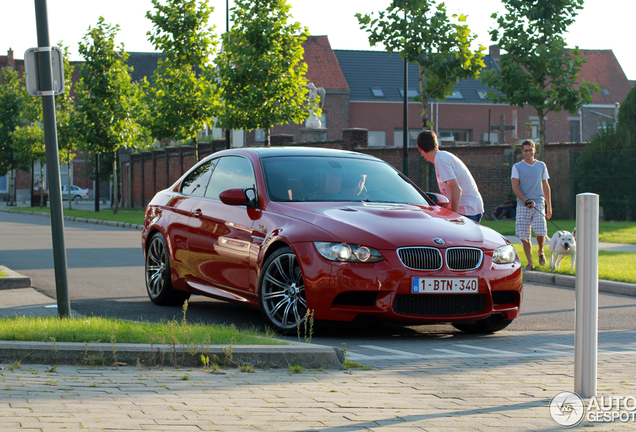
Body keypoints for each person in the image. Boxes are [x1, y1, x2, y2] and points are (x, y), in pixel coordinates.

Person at [417, 130, 484, 222]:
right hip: (468, 208)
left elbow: (456, 189)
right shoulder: (441, 157)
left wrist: (453, 217)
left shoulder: (441, 159)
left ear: (419, 148)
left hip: (467, 210)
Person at [511, 139, 552, 271]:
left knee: (541, 230)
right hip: (523, 204)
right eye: (525, 150)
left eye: (530, 149)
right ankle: (530, 263)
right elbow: (515, 188)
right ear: (522, 151)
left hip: (539, 202)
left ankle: (540, 251)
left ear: (535, 150)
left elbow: (546, 186)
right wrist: (525, 200)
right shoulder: (517, 167)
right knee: (524, 235)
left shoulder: (541, 166)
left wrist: (549, 206)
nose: (528, 152)